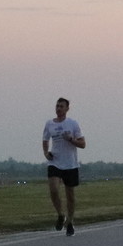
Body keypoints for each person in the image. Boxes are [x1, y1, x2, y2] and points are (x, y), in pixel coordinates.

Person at [42, 97, 87, 236]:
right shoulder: (49, 124)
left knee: (70, 196)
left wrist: (71, 139)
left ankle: (70, 222)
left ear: (67, 109)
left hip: (70, 164)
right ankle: (61, 214)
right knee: (54, 189)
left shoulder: (72, 124)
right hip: (55, 161)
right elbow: (45, 140)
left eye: (61, 106)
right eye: (57, 106)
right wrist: (46, 153)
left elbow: (83, 144)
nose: (58, 108)